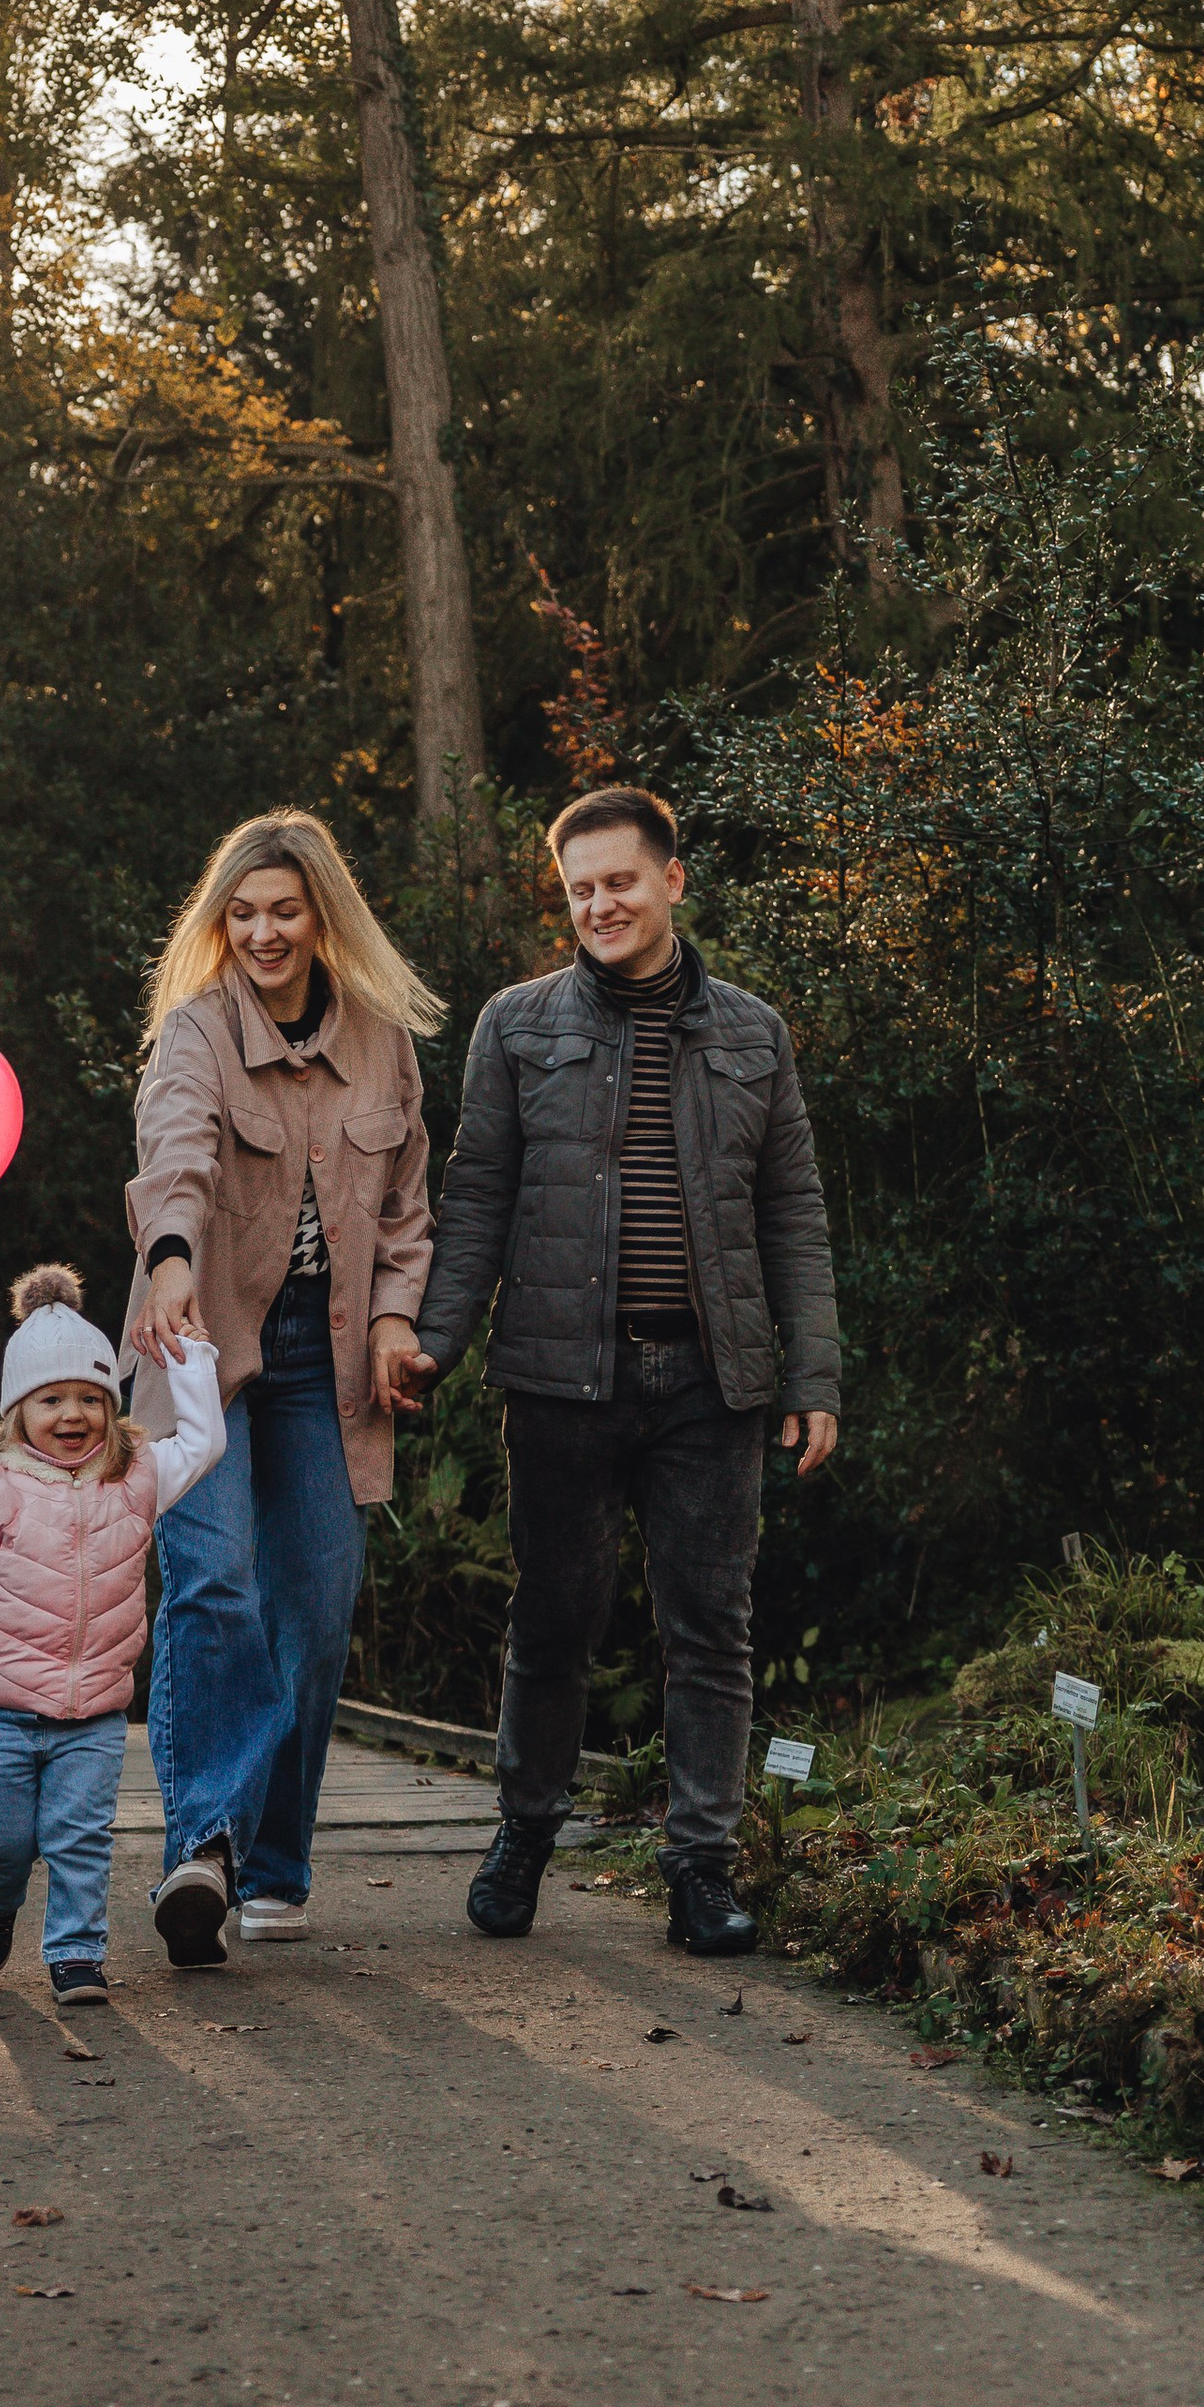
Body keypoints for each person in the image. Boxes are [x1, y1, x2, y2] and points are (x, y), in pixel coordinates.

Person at [404, 784, 840, 1960]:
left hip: (713, 1382)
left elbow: (792, 1212)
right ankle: (523, 1837)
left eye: (620, 881)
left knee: (710, 1630)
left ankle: (701, 1866)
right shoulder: (517, 1025)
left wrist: (814, 1378)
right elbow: (477, 1195)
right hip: (558, 1375)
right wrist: (435, 1341)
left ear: (671, 882)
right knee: (553, 1619)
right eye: (580, 888)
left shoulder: (753, 1033)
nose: (599, 903)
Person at [125, 810, 439, 1968]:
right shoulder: (195, 1032)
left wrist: (399, 1328)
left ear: (322, 919)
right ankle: (198, 1849)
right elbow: (177, 1155)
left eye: (283, 910)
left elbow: (405, 1207)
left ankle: (275, 1863)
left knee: (313, 1605)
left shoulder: (381, 1043)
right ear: (222, 924)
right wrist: (165, 1267)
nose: (261, 931)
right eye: (240, 913)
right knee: (215, 1580)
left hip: (330, 1351)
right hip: (195, 1337)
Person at [0, 1264, 224, 2012]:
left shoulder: (138, 1477)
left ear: (109, 1403)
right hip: (2, 1709)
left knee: (79, 1840)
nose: (71, 1414)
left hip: (94, 1716)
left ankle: (76, 1954)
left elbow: (203, 1444)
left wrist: (192, 1359)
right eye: (50, 1399)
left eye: (88, 1398)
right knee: (5, 1844)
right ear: (18, 1411)